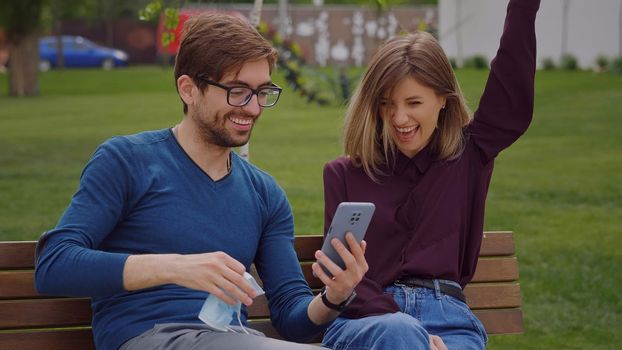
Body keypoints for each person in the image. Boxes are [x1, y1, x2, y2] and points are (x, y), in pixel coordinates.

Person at [35, 13, 368, 350]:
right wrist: (175, 267)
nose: (253, 108)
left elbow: (291, 317)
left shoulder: (264, 193)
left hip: (234, 340)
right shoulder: (127, 161)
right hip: (151, 337)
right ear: (189, 89)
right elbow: (55, 264)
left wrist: (333, 297)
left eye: (262, 92)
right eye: (237, 91)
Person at [321, 0, 541, 349]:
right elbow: (344, 274)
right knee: (399, 334)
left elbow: (510, 93)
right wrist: (411, 333)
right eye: (386, 104)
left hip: (451, 322)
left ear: (443, 100)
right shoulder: (343, 174)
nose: (399, 118)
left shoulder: (470, 155)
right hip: (368, 321)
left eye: (413, 103)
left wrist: (523, 7)